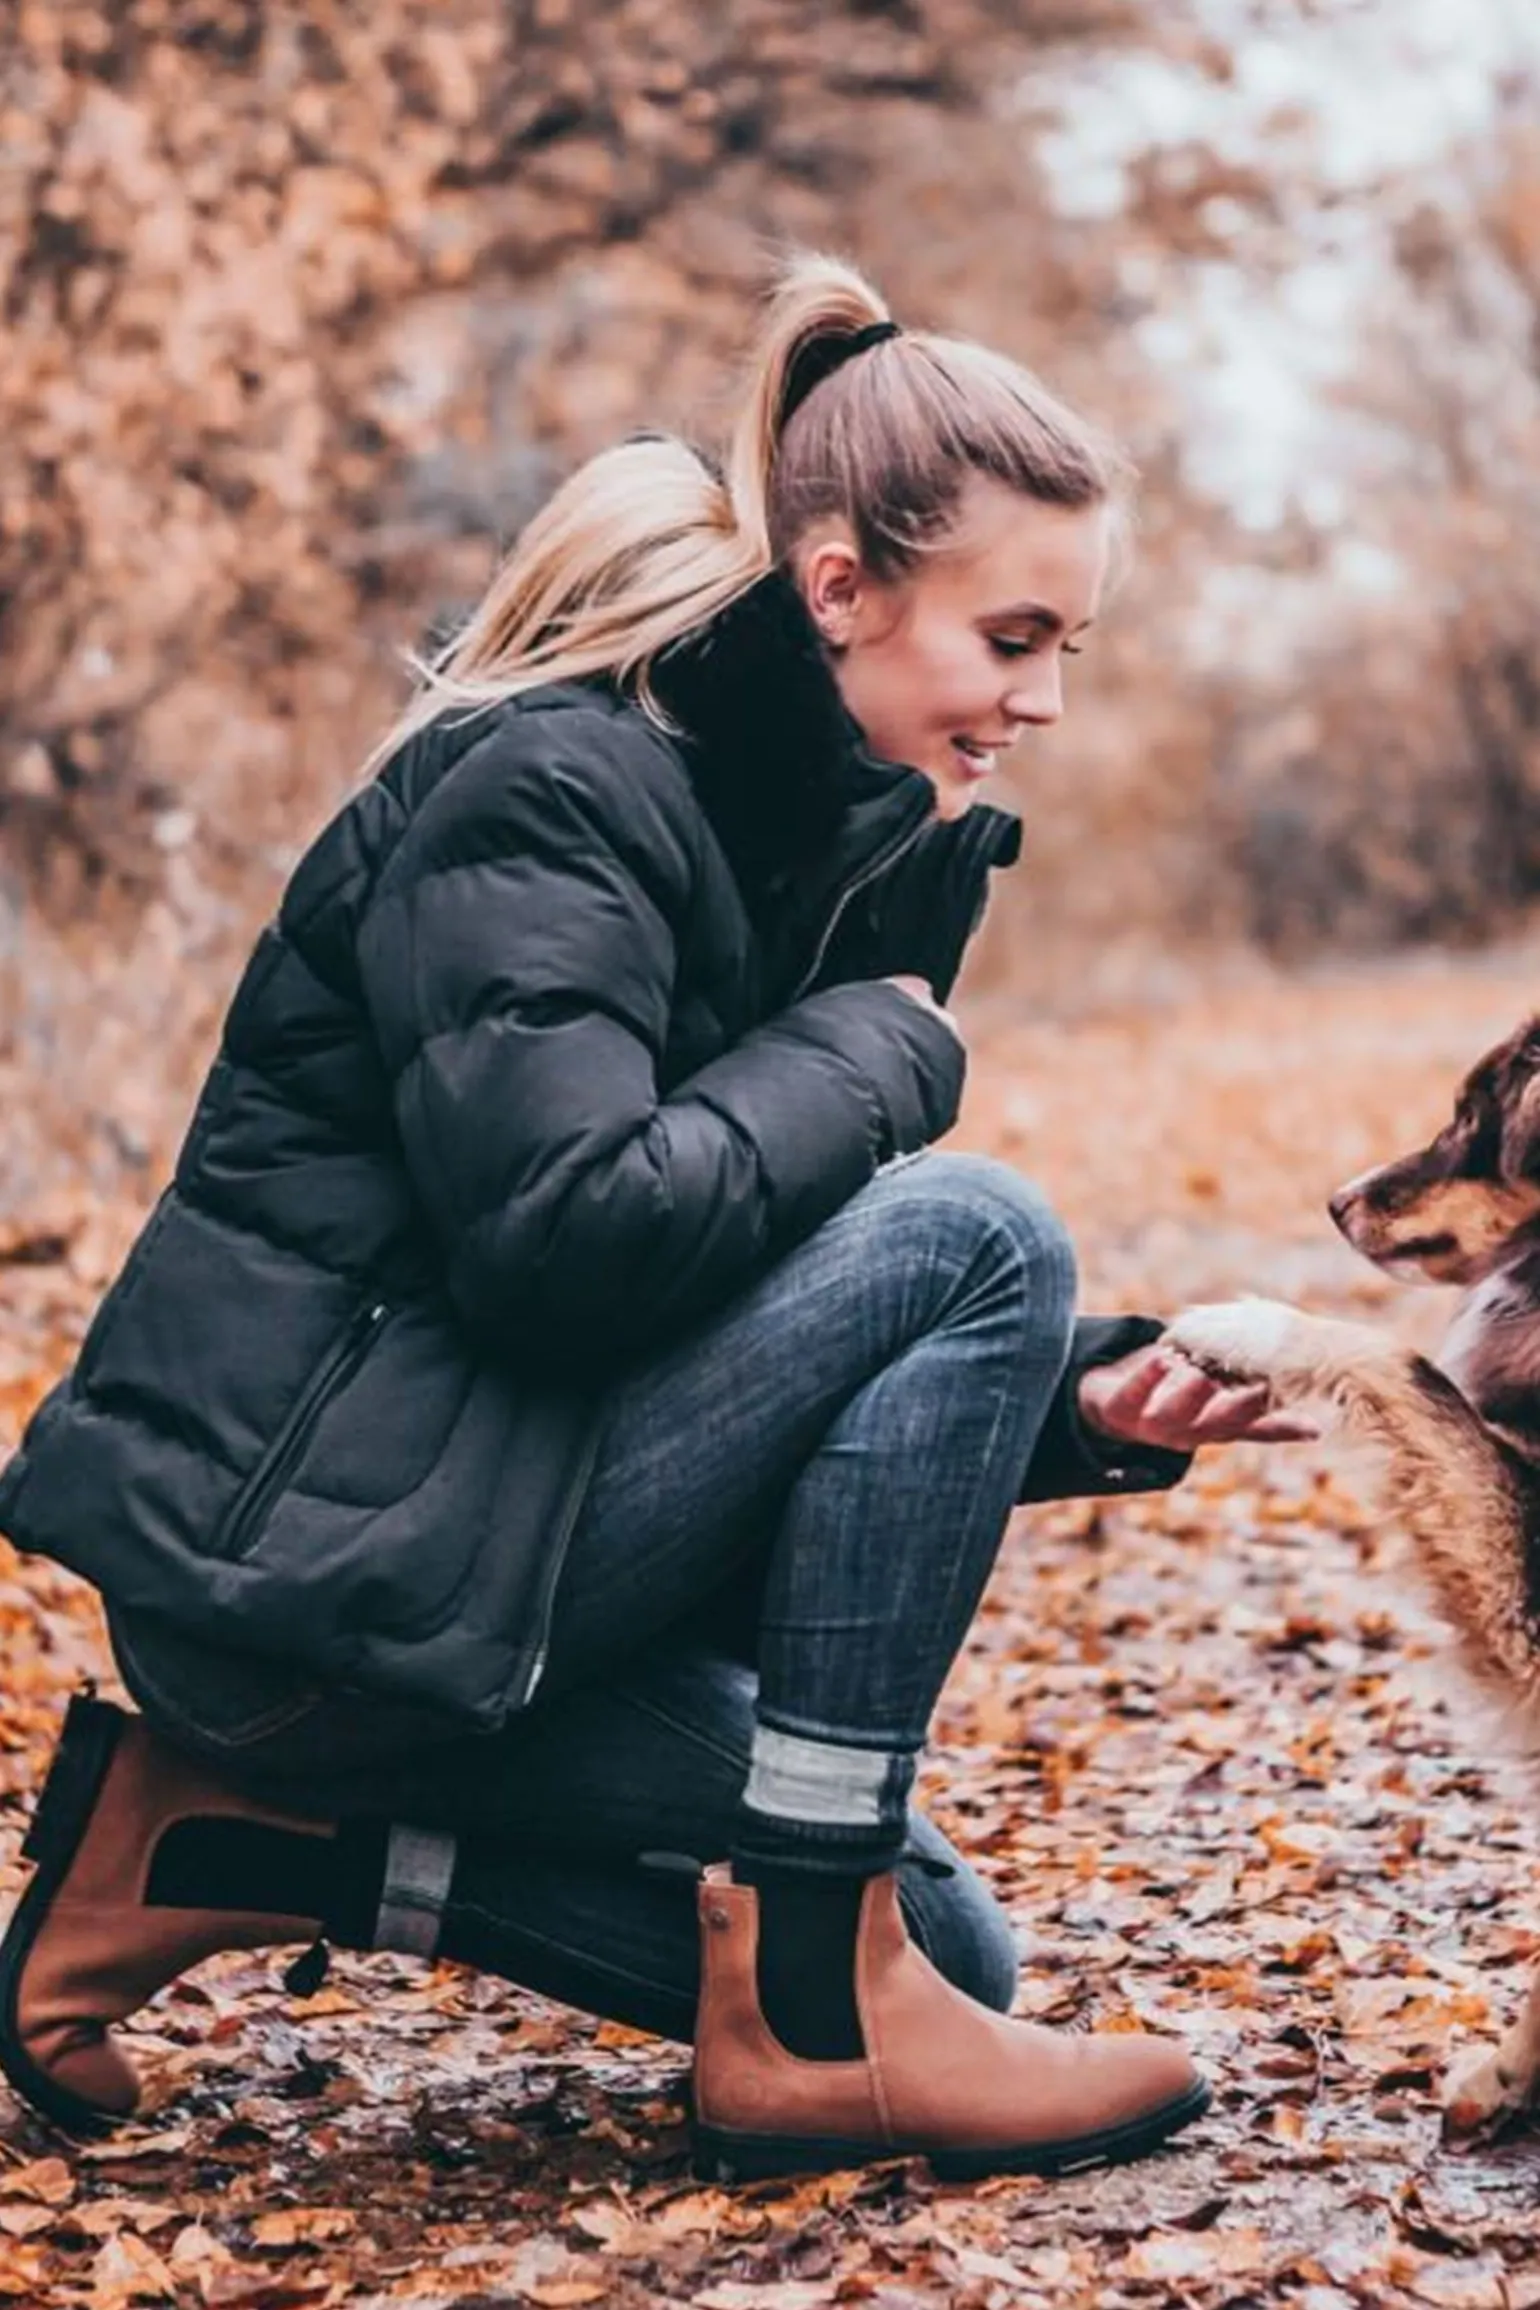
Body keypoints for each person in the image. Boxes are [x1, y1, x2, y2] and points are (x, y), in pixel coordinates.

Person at [0, 254, 1300, 2183]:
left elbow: (741, 1319)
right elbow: (569, 1245)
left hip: (457, 1545)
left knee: (949, 1951)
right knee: (981, 1234)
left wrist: (1072, 1403)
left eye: (1069, 649)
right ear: (840, 589)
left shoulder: (793, 840)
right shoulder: (556, 787)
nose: (1040, 697)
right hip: (305, 1588)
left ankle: (217, 1842)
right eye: (1013, 636)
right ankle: (804, 2006)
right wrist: (880, 1045)